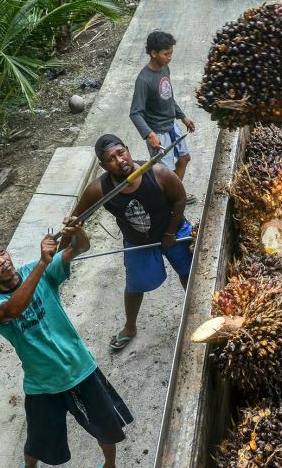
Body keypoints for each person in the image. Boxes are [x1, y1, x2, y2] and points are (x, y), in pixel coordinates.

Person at [0, 223, 134, 468]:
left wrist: (76, 231)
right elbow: (13, 309)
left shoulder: (35, 270)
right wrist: (43, 263)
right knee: (38, 442)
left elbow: (80, 247)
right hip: (42, 384)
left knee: (107, 428)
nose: (2, 261)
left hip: (80, 367)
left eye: (1, 252)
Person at [68, 133, 192, 351]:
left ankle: (197, 311)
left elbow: (180, 199)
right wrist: (58, 256)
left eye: (121, 153)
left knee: (189, 272)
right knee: (135, 286)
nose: (120, 160)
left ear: (127, 149)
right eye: (111, 159)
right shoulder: (98, 189)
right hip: (137, 240)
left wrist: (170, 233)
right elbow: (76, 220)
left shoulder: (158, 172)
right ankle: (130, 327)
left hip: (173, 230)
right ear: (103, 165)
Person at [130, 29, 196, 194]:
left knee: (184, 158)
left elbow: (168, 97)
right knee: (164, 174)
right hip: (158, 133)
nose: (170, 57)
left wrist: (182, 117)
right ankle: (170, 198)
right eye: (166, 54)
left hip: (172, 126)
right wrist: (149, 134)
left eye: (171, 53)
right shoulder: (144, 80)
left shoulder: (165, 68)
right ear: (153, 53)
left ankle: (175, 194)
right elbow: (135, 113)